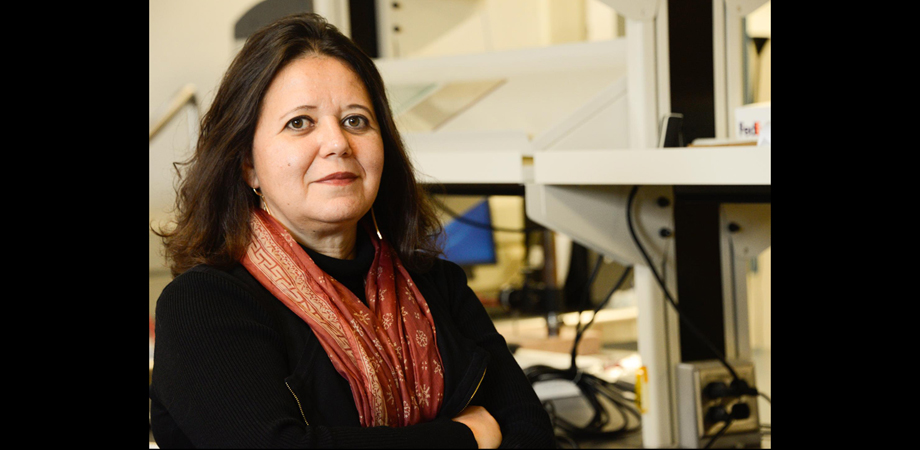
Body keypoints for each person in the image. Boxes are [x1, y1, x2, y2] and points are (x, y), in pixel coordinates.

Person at [149, 12, 555, 449]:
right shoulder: (205, 305)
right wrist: (465, 437)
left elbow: (531, 431)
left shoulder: (438, 284)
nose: (338, 143)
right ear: (248, 165)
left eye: (356, 120)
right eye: (300, 122)